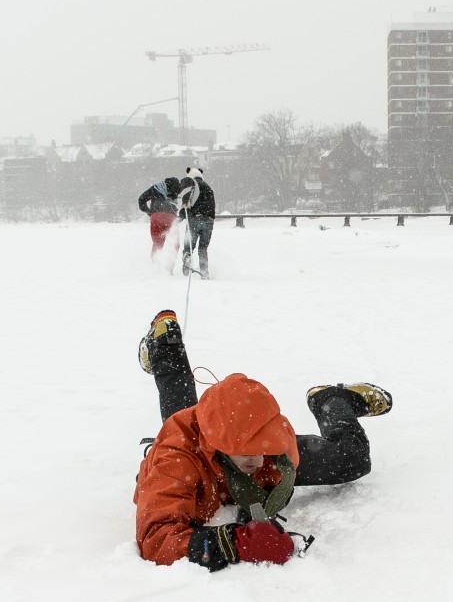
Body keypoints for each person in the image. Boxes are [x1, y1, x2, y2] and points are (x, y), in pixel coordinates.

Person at [133, 309, 393, 571]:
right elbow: (156, 539)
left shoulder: (272, 446)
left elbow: (273, 475)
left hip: (223, 434)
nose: (258, 461)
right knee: (177, 415)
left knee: (353, 459)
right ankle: (165, 343)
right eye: (247, 452)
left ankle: (330, 399)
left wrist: (260, 507)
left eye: (262, 449)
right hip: (195, 452)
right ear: (220, 446)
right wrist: (232, 543)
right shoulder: (177, 458)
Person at [178, 167, 215, 278]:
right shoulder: (208, 188)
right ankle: (204, 273)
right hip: (209, 221)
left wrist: (181, 214)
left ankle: (187, 259)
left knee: (188, 245)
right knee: (203, 248)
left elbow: (185, 202)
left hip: (194, 219)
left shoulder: (191, 183)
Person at [138, 177, 182, 270]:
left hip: (156, 217)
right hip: (171, 218)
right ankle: (169, 268)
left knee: (157, 244)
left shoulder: (155, 188)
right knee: (174, 244)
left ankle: (155, 267)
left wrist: (149, 211)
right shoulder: (176, 189)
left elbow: (141, 199)